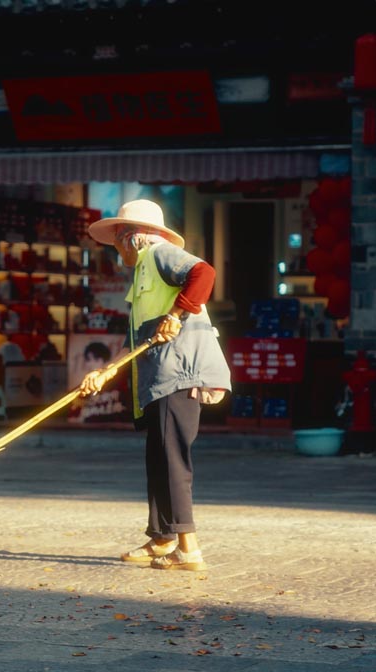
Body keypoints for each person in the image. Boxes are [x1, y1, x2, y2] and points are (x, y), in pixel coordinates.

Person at [79, 199, 230, 572]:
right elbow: (137, 343)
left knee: (172, 459)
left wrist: (177, 314)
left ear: (132, 238)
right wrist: (105, 372)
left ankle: (188, 548)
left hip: (179, 374)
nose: (116, 250)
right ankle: (161, 537)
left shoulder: (162, 254)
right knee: (158, 458)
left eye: (117, 242)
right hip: (158, 379)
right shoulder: (143, 272)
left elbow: (204, 274)